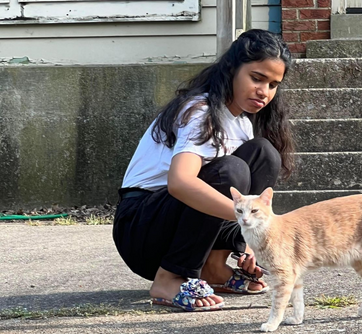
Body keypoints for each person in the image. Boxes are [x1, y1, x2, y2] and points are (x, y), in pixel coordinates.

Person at [112, 29, 295, 312]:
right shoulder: (200, 111)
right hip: (141, 230)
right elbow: (180, 183)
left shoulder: (242, 124)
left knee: (263, 154)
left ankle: (213, 267)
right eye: (257, 78)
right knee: (229, 171)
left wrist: (248, 245)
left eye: (273, 84)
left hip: (174, 227)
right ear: (232, 69)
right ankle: (169, 278)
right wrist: (250, 222)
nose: (264, 91)